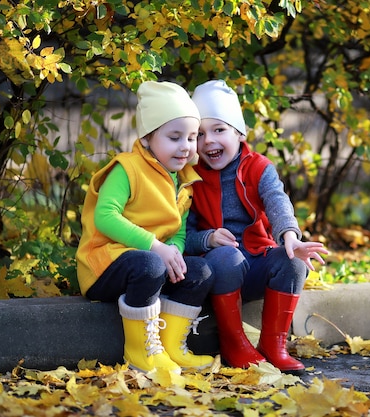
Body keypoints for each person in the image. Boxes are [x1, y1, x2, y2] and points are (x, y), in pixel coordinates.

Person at [185, 79, 329, 372]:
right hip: (217, 270)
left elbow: (277, 199)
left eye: (219, 130)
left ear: (240, 133)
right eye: (199, 134)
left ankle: (273, 345)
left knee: (293, 262)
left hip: (255, 263)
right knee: (228, 256)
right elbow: (181, 235)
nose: (209, 140)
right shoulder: (189, 177)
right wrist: (208, 240)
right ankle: (233, 343)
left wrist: (290, 236)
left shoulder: (258, 167)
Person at [76, 81, 215, 375]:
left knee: (200, 271)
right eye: (174, 137)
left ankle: (171, 349)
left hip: (151, 263)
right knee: (150, 263)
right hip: (105, 265)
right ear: (149, 137)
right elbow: (106, 218)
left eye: (191, 138)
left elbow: (176, 230)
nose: (185, 146)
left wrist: (174, 254)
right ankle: (141, 354)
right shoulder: (126, 168)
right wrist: (157, 248)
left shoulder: (184, 179)